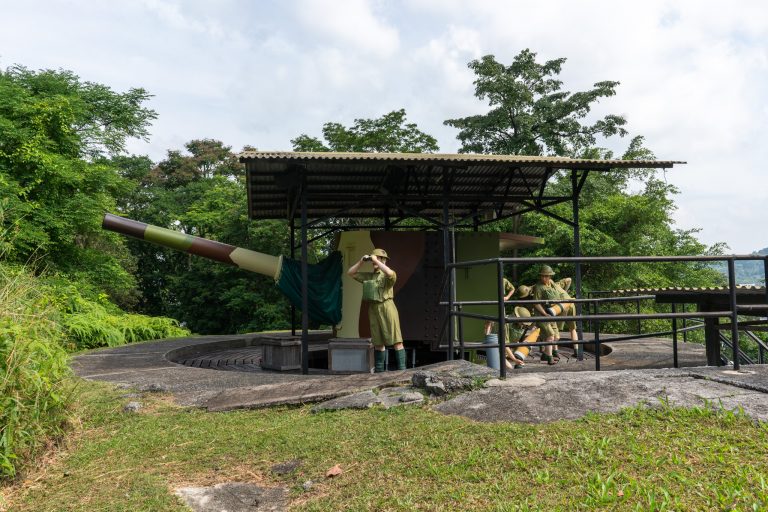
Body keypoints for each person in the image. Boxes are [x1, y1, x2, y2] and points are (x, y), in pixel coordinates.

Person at [347, 248, 405, 372]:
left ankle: (402, 371)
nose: (374, 261)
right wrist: (361, 261)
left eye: (378, 258)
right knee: (378, 342)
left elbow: (390, 274)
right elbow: (351, 273)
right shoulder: (370, 276)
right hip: (373, 309)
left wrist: (377, 261)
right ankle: (379, 371)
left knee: (396, 340)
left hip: (387, 307)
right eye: (373, 258)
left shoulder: (387, 275)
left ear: (383, 260)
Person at [531, 265, 562, 365]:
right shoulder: (538, 287)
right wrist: (544, 314)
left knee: (556, 336)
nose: (544, 278)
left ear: (550, 276)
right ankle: (549, 358)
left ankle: (545, 354)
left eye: (546, 276)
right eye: (542, 276)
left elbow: (558, 293)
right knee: (550, 336)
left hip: (551, 313)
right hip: (542, 316)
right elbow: (536, 303)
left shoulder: (551, 283)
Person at [556, 277, 580, 355]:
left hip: (562, 306)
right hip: (570, 303)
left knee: (555, 329)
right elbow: (569, 279)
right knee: (572, 328)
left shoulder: (546, 288)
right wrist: (565, 291)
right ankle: (576, 350)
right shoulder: (558, 284)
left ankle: (555, 352)